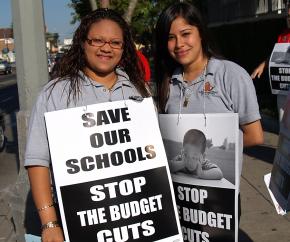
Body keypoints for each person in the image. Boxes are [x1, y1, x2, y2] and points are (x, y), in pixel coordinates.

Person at [24, 8, 150, 242]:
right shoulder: (55, 93)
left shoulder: (139, 91)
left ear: (124, 48)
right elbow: (37, 160)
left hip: (135, 219)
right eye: (97, 40)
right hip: (78, 220)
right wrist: (50, 223)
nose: (106, 48)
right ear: (83, 42)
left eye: (115, 42)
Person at [155, 1, 264, 220]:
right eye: (170, 37)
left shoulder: (231, 75)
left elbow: (255, 136)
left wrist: (210, 148)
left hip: (218, 202)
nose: (179, 44)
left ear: (201, 33)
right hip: (179, 200)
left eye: (186, 34)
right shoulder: (168, 80)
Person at [251, 6, 290, 122]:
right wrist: (263, 65)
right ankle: (284, 139)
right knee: (283, 122)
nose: (289, 19)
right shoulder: (283, 35)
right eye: (288, 16)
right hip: (282, 89)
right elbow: (278, 54)